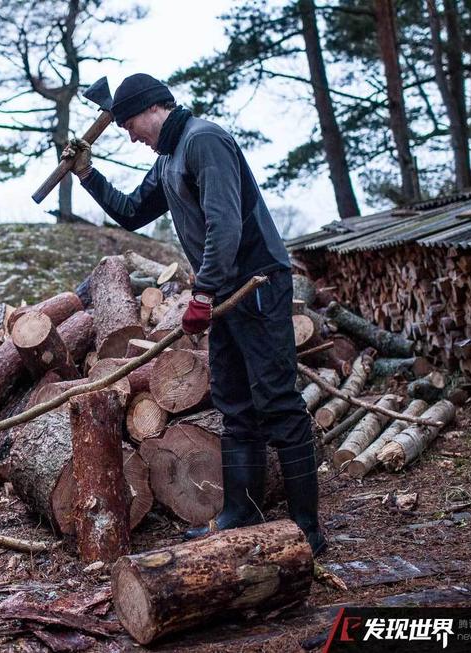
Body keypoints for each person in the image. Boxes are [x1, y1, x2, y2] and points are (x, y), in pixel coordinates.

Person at [63, 73, 326, 555]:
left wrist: (202, 292)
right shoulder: (168, 158)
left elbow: (223, 222)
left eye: (129, 125)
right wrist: (88, 175)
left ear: (153, 108)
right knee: (233, 402)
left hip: (256, 284)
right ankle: (241, 512)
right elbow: (132, 212)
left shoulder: (203, 140)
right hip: (226, 293)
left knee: (277, 402)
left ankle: (308, 528)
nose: (129, 135)